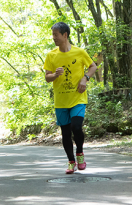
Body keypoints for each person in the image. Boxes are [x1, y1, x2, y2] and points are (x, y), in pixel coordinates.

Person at [43, 22, 97, 174]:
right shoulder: (51, 55)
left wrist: (85, 79)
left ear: (65, 35)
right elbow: (47, 77)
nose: (54, 38)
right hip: (61, 101)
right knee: (65, 132)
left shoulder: (79, 52)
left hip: (78, 98)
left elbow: (93, 66)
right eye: (53, 34)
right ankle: (71, 161)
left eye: (56, 35)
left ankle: (80, 153)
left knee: (76, 127)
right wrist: (55, 75)